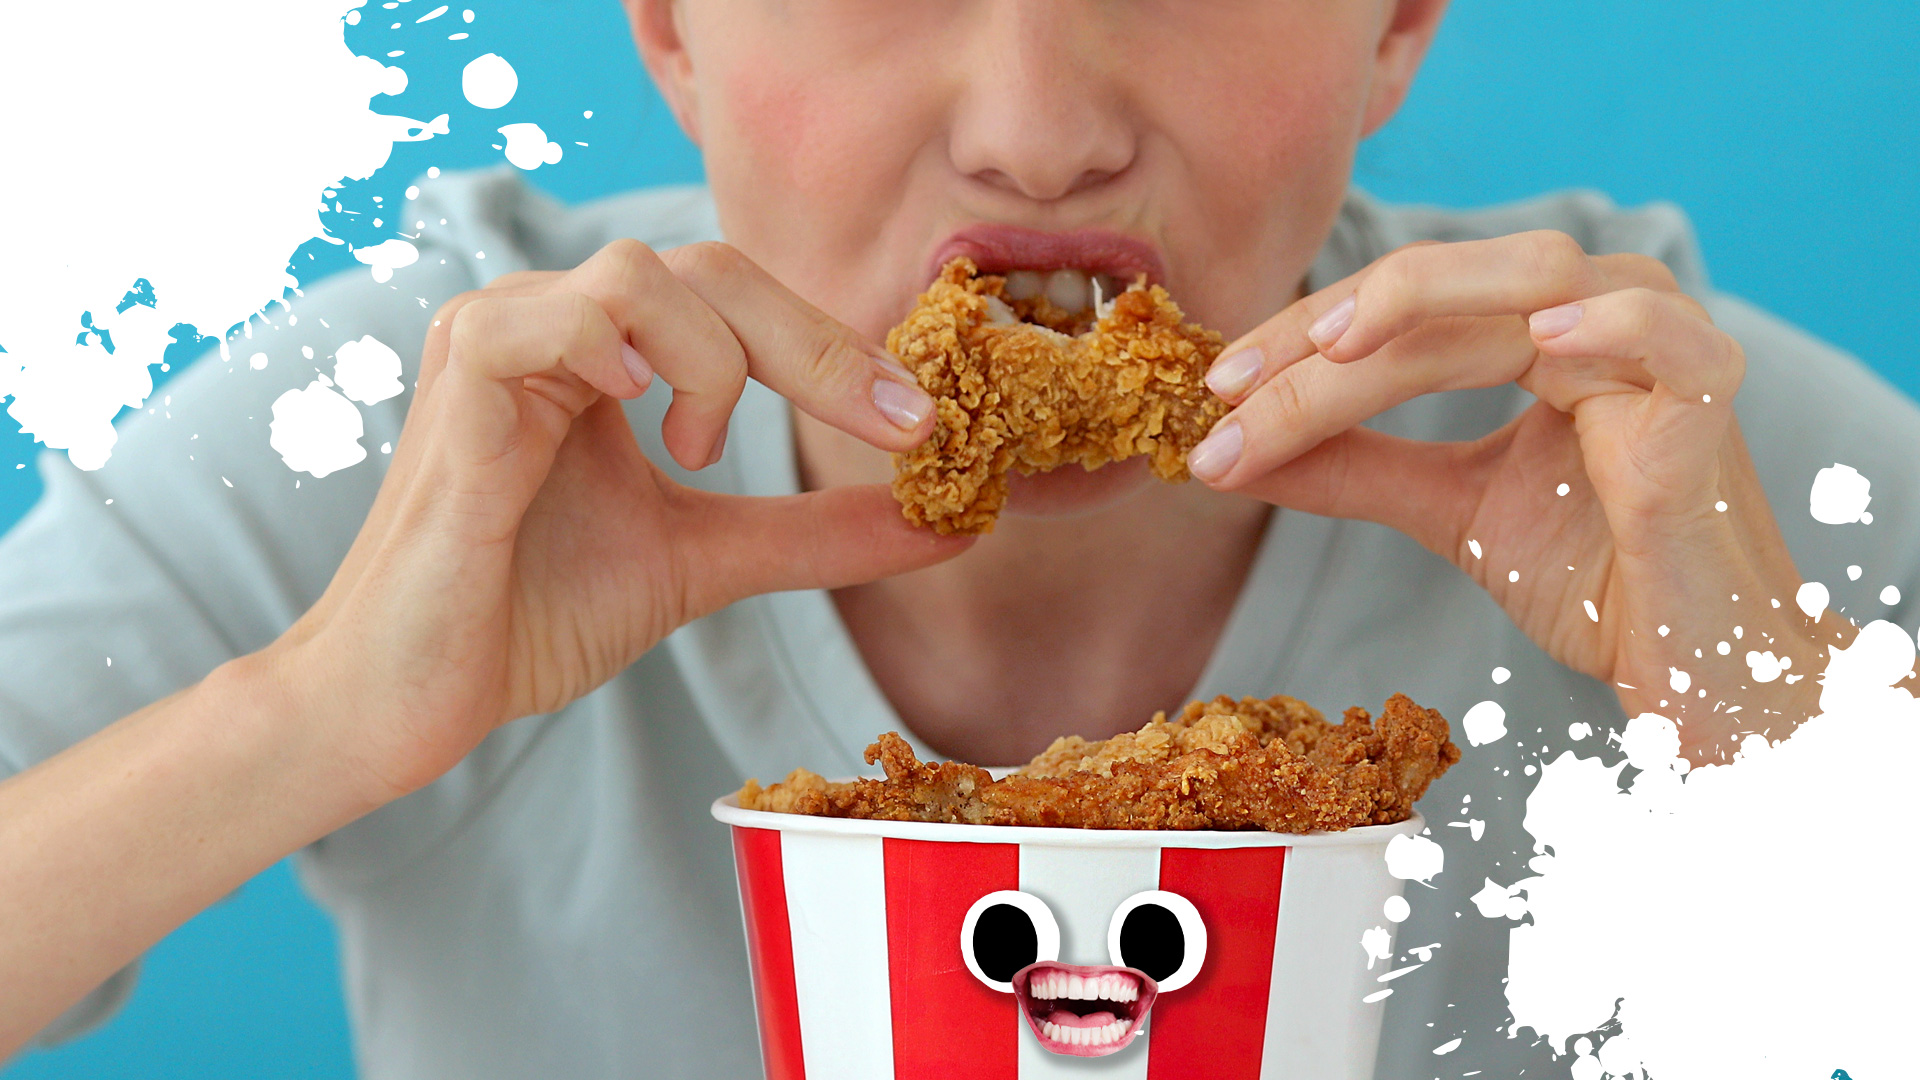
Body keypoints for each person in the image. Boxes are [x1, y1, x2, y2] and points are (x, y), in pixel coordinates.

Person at [4, 0, 1917, 1075]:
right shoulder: (437, 426)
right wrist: (321, 712)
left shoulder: (1668, 454)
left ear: (1395, 26)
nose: (1035, 132)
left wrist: (1791, 740)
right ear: (670, 28)